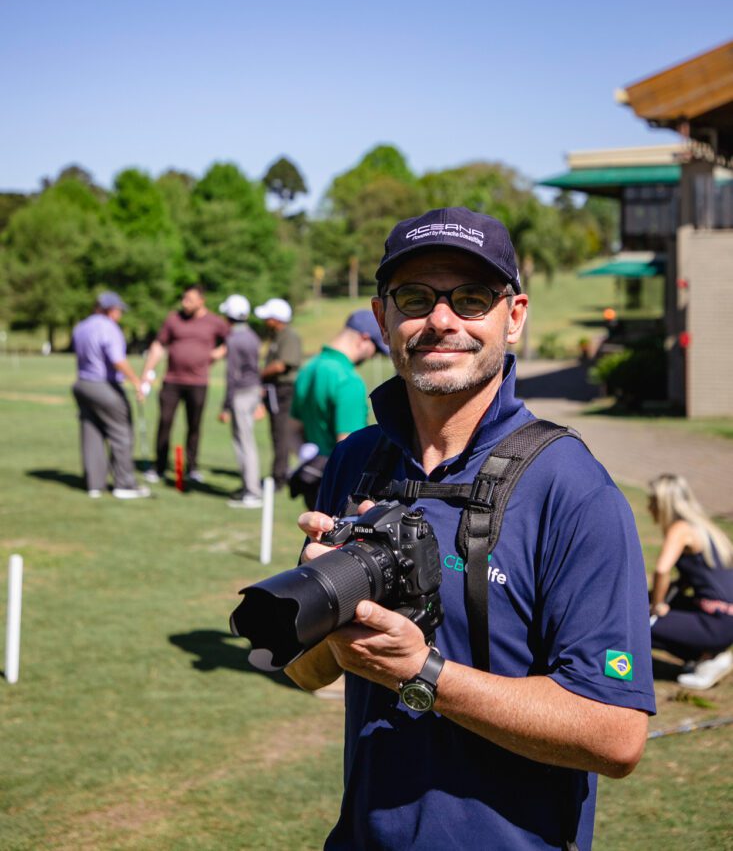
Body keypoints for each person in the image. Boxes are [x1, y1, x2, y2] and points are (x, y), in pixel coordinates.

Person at [286, 207, 655, 851]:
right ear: (382, 318)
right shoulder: (358, 461)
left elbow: (616, 734)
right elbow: (307, 673)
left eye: (472, 298)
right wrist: (325, 604)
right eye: (415, 298)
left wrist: (422, 673)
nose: (441, 320)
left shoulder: (572, 488)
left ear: (513, 316)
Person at [290, 309, 390, 509]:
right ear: (364, 339)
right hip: (339, 485)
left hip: (313, 477)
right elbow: (349, 448)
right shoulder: (348, 380)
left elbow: (292, 429)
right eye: (375, 350)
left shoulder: (308, 367)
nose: (372, 356)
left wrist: (310, 458)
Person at [648, 473, 733, 689]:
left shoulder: (681, 528)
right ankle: (707, 656)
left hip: (715, 621)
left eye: (652, 501)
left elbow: (661, 570)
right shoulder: (704, 528)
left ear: (663, 502)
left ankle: (709, 659)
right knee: (646, 603)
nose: (649, 507)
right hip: (724, 619)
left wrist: (657, 605)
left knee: (638, 622)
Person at [141, 286, 229, 485]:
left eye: (189, 299)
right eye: (183, 299)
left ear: (201, 301)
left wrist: (218, 353)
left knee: (194, 426)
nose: (184, 303)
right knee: (165, 422)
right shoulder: (173, 319)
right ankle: (159, 467)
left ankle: (191, 468)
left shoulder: (214, 322)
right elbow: (158, 345)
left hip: (198, 383)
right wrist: (147, 372)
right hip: (172, 381)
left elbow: (231, 341)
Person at [71, 291, 150, 499]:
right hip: (103, 385)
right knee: (121, 433)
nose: (120, 314)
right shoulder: (109, 328)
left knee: (92, 432)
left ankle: (95, 485)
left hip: (82, 384)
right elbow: (117, 360)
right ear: (110, 310)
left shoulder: (81, 326)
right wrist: (137, 382)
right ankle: (124, 484)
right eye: (118, 310)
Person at [217, 294, 264, 510]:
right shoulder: (252, 336)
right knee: (246, 441)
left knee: (244, 443)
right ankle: (248, 487)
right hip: (252, 392)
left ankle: (252, 492)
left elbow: (232, 375)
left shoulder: (234, 340)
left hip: (242, 394)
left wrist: (225, 405)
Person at [254, 297, 302, 489]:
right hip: (276, 390)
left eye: (268, 317)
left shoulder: (289, 336)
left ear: (277, 318)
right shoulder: (277, 335)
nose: (266, 321)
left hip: (284, 391)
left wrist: (258, 374)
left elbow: (282, 365)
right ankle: (279, 473)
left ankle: (279, 476)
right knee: (276, 433)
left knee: (280, 433)